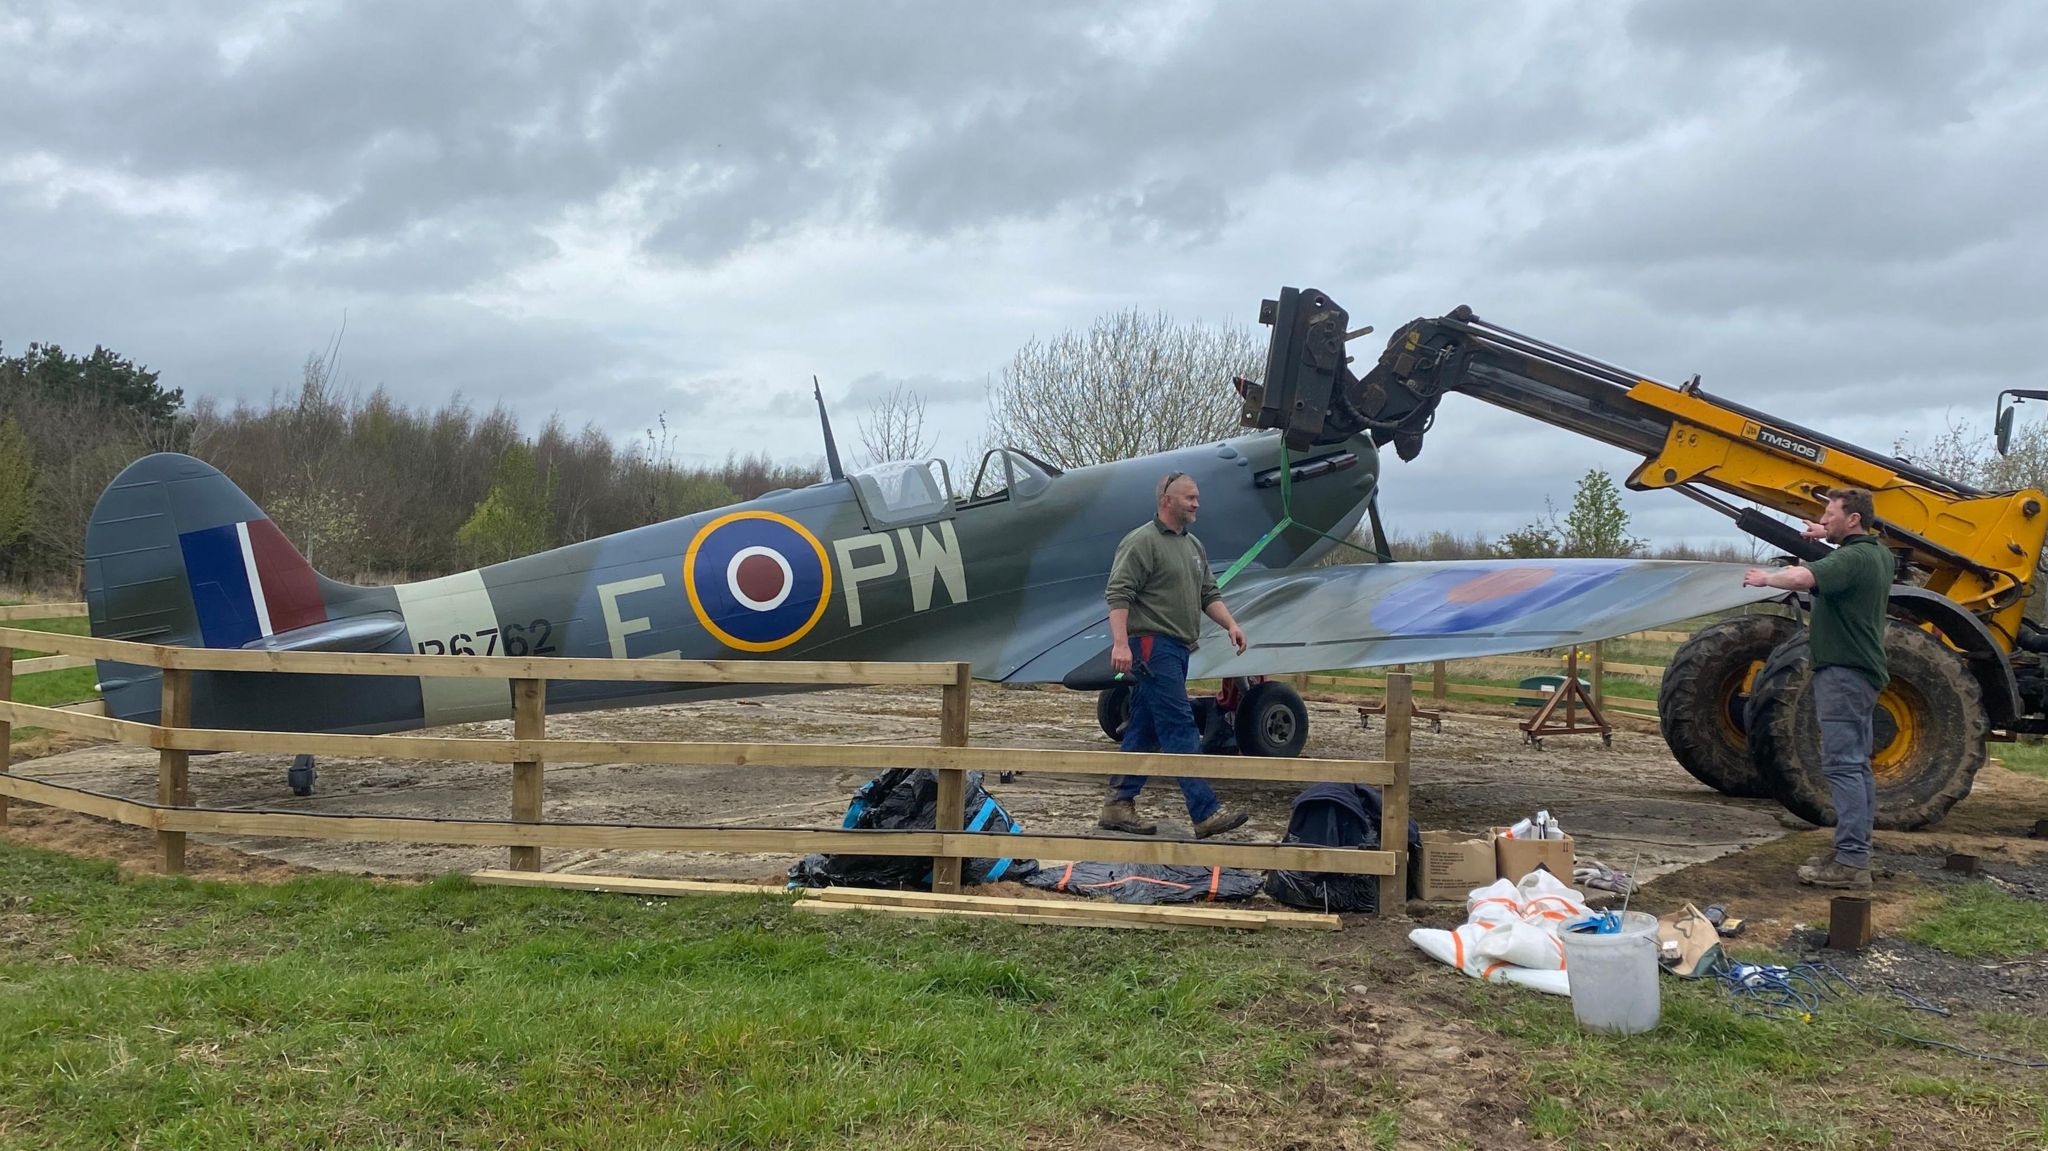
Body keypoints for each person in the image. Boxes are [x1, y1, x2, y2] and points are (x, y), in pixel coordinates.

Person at [1742, 487, 1892, 890]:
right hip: (1859, 672)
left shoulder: (1853, 558)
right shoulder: (1876, 554)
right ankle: (1855, 852)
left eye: (1830, 515)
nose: (1823, 520)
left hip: (1843, 673)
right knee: (1856, 766)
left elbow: (1805, 577)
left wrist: (1765, 578)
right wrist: (1822, 535)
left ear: (1854, 519)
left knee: (1843, 766)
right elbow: (1834, 564)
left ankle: (1850, 863)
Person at [1098, 471, 1252, 838]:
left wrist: (1231, 624)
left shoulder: (1193, 546)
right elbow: (1118, 594)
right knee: (1179, 723)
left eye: (1197, 497)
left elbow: (1208, 593)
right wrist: (1120, 644)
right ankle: (1205, 812)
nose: (1197, 503)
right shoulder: (1142, 542)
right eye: (1190, 498)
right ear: (1167, 500)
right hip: (1152, 646)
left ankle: (1118, 805)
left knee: (1146, 726)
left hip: (1179, 648)